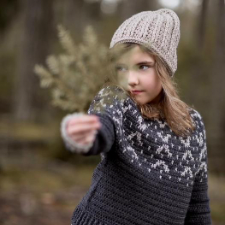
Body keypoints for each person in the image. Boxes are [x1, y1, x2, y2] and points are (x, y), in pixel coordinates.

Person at [60, 8, 212, 225]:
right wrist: (86, 136)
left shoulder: (192, 125)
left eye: (143, 67)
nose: (131, 80)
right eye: (121, 68)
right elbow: (102, 127)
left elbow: (198, 206)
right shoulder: (115, 100)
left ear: (164, 70)